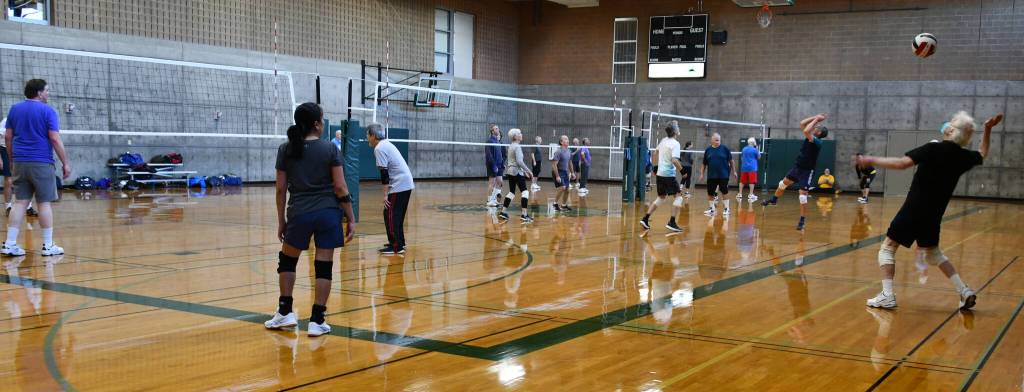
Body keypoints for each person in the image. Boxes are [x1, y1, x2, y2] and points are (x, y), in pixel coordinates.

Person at [858, 111, 1002, 310]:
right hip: (934, 215)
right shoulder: (964, 157)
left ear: (951, 129)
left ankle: (887, 295)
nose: (947, 123)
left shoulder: (932, 149)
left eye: (951, 121)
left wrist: (871, 160)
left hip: (914, 209)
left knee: (887, 249)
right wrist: (987, 129)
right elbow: (983, 153)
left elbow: (901, 164)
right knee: (934, 254)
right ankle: (964, 291)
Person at [264, 102, 356, 336]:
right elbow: (340, 186)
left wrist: (281, 220)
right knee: (324, 267)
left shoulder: (286, 149)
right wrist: (351, 217)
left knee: (287, 262)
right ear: (316, 124)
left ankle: (285, 313)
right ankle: (317, 320)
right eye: (322, 119)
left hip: (299, 212)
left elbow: (280, 189)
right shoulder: (330, 149)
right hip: (328, 213)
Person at [2, 79, 71, 257]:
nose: (48, 93)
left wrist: (11, 159)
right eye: (47, 91)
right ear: (39, 93)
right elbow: (55, 139)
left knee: (20, 202)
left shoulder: (14, 109)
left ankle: (10, 244)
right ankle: (48, 245)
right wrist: (65, 162)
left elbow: (8, 137)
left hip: (19, 162)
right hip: (41, 162)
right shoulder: (48, 111)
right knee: (44, 203)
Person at [762, 113, 830, 231]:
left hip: (807, 171)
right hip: (797, 167)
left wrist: (816, 120)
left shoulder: (818, 141)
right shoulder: (810, 136)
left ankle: (802, 220)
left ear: (819, 133)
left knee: (802, 197)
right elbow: (802, 123)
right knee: (782, 184)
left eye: (817, 128)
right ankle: (774, 200)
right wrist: (815, 117)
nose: (815, 127)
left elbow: (806, 131)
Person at [368, 123, 415, 255]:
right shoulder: (386, 144)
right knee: (395, 214)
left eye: (367, 135)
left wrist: (385, 195)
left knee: (390, 213)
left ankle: (396, 246)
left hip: (400, 184)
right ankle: (400, 242)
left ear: (373, 136)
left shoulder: (379, 148)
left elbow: (384, 174)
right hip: (406, 183)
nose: (367, 138)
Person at [640, 124, 684, 233]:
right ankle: (672, 222)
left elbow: (655, 153)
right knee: (679, 197)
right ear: (675, 132)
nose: (679, 129)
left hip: (660, 174)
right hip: (668, 175)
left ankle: (645, 219)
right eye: (677, 128)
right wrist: (683, 171)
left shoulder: (663, 140)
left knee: (661, 197)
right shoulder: (676, 144)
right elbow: (674, 160)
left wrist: (654, 168)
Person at [499, 128, 533, 223]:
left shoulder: (511, 146)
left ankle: (503, 212)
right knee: (525, 192)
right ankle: (524, 215)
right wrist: (529, 170)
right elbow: (519, 161)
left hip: (510, 171)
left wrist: (524, 171)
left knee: (511, 192)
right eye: (519, 133)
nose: (521, 134)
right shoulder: (517, 147)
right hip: (516, 172)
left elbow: (514, 161)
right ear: (515, 136)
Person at [701, 133, 735, 217]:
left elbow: (731, 161)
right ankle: (711, 208)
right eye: (716, 140)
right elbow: (704, 163)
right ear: (712, 140)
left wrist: (734, 171)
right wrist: (702, 173)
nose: (718, 142)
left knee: (724, 191)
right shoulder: (708, 150)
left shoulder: (725, 149)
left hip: (723, 175)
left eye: (719, 140)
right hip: (711, 175)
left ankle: (727, 208)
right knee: (710, 193)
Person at [550, 135, 575, 212]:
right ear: (561, 142)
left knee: (567, 189)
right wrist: (557, 176)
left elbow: (570, 162)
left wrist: (572, 172)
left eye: (567, 139)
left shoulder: (569, 151)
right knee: (562, 188)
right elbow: (554, 165)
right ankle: (555, 203)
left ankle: (563, 205)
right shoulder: (558, 152)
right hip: (557, 171)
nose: (567, 140)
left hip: (564, 172)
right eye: (565, 139)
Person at [484, 124, 504, 207]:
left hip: (499, 165)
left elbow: (500, 155)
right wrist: (493, 165)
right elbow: (489, 155)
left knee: (499, 182)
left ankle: (493, 198)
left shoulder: (498, 141)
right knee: (491, 183)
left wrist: (502, 164)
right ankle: (489, 200)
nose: (498, 129)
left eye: (498, 128)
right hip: (492, 165)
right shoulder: (489, 141)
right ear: (492, 131)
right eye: (496, 128)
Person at [0, 117, 12, 215]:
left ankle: (28, 207)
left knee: (24, 180)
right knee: (8, 179)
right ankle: (8, 206)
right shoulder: (6, 121)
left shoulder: (25, 119)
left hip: (19, 150)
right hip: (4, 149)